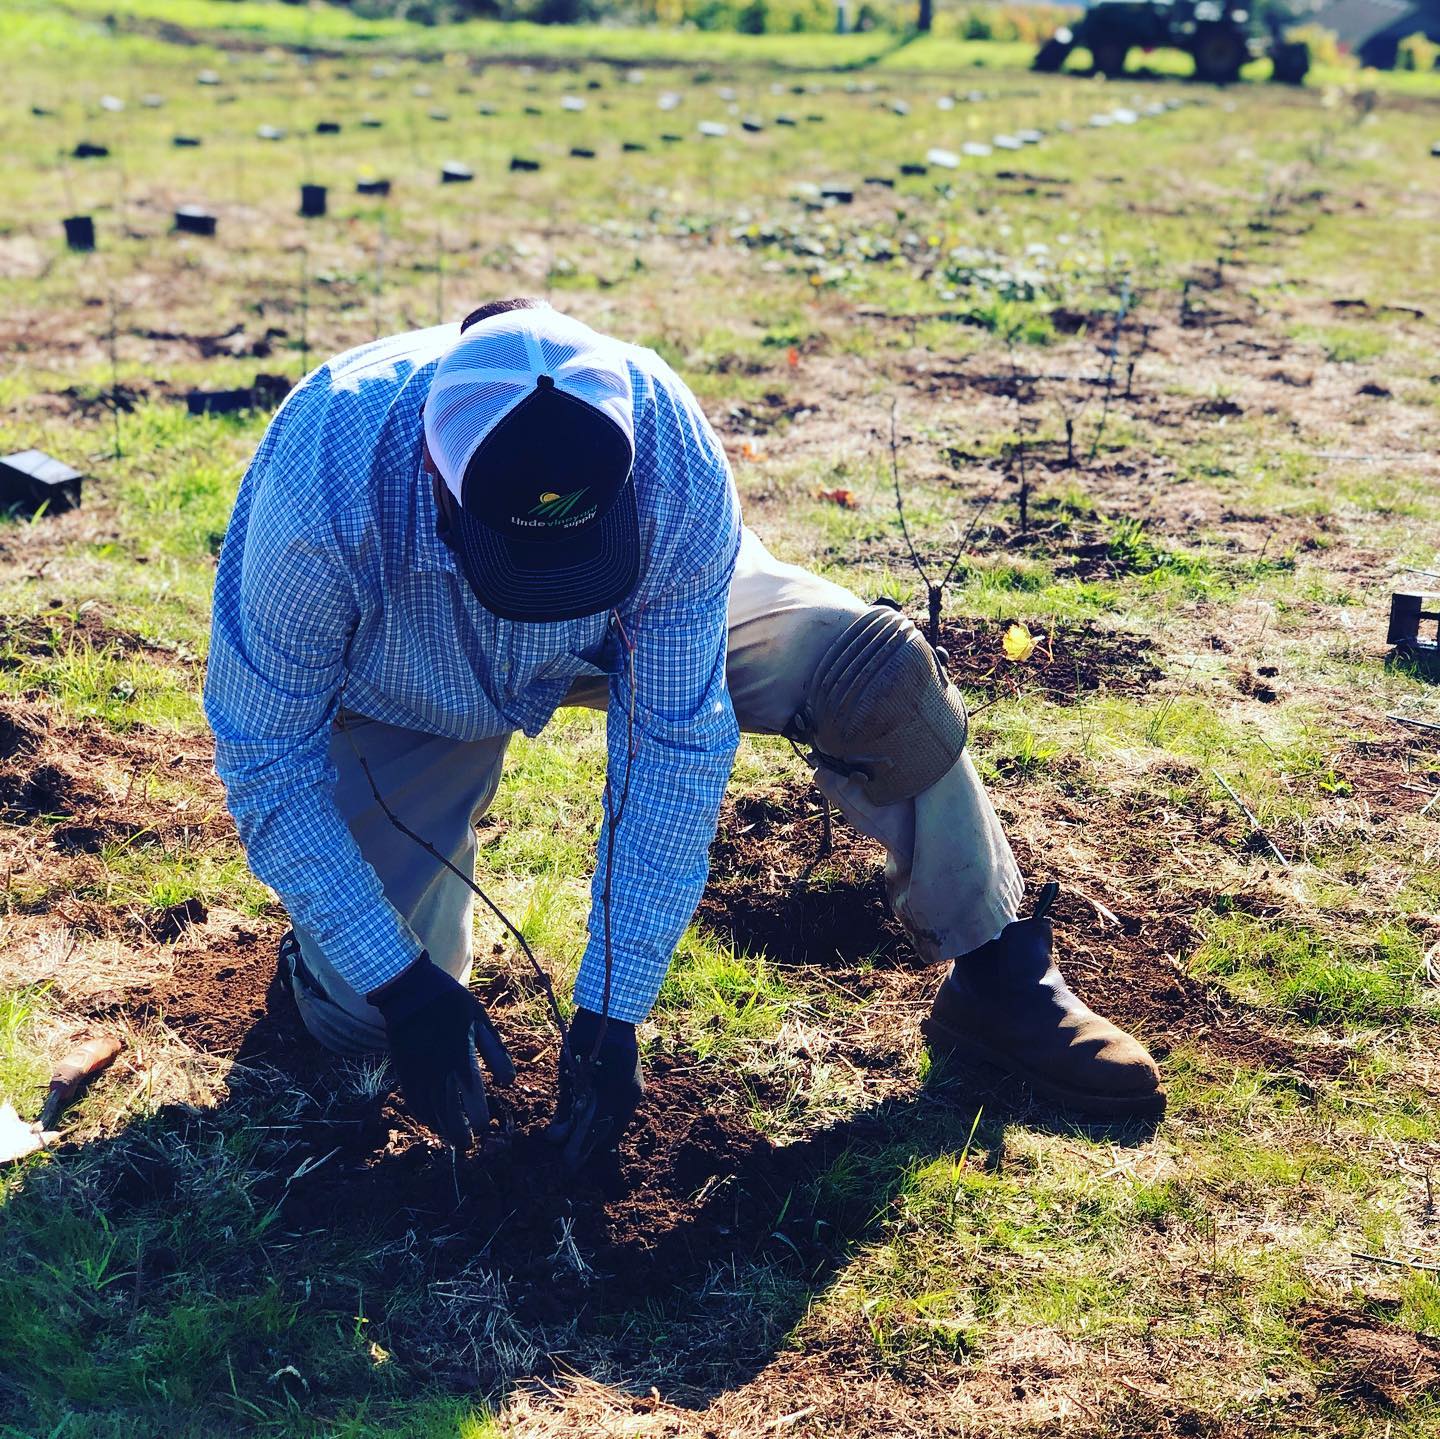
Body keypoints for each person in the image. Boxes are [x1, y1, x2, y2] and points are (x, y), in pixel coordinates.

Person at [204, 299, 1163, 1167]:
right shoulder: (322, 485)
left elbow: (673, 744)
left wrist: (613, 1011)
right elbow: (266, 757)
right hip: (405, 682)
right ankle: (334, 977)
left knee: (871, 671)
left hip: (640, 620)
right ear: (435, 479)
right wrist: (400, 983)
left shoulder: (668, 455)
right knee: (363, 1017)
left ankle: (994, 972)